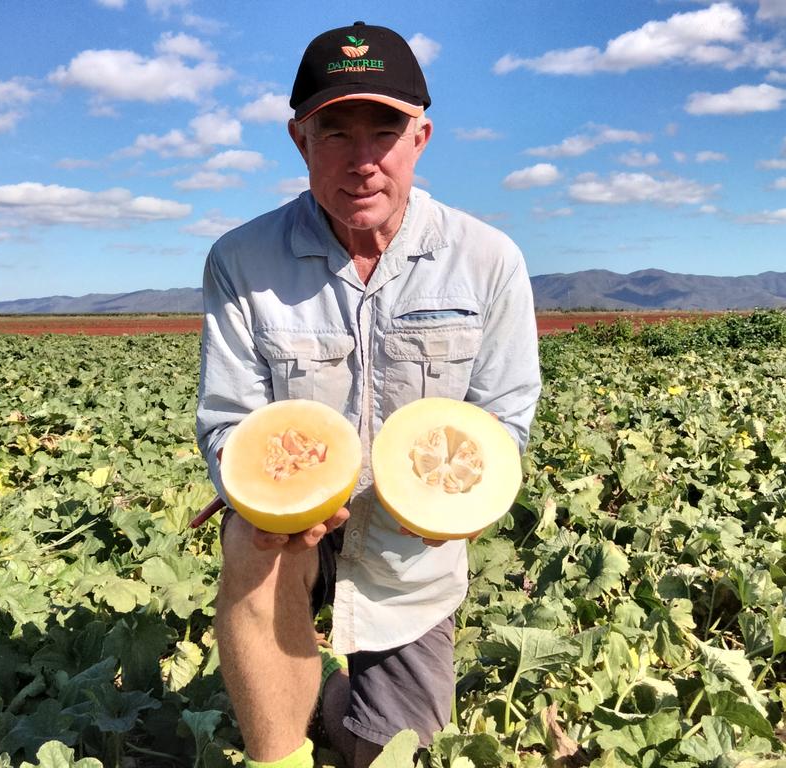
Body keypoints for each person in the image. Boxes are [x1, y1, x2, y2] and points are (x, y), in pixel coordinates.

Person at [195, 21, 541, 768]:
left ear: (421, 136)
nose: (361, 161)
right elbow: (229, 425)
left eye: (384, 131)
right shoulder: (239, 260)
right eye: (334, 132)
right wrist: (261, 497)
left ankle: (337, 694)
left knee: (377, 751)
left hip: (408, 551)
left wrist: (462, 505)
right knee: (249, 544)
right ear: (299, 139)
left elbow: (502, 419)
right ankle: (277, 756)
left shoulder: (489, 261)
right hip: (288, 538)